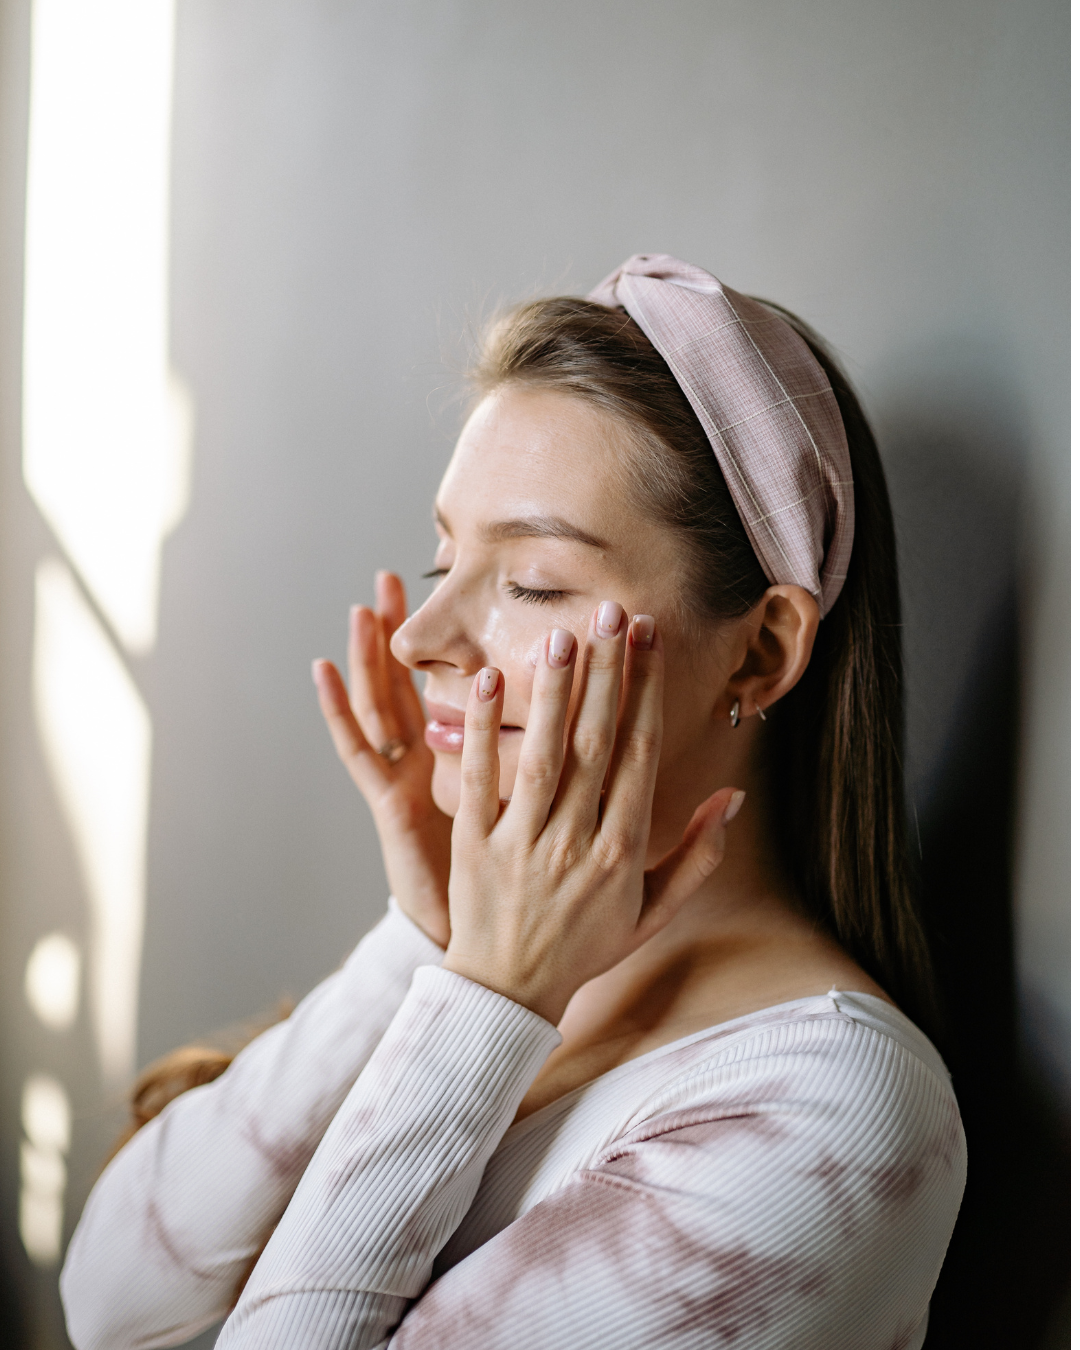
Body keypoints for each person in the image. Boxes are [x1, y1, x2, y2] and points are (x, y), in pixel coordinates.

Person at [60, 255, 965, 1350]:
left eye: (534, 583)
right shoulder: (509, 968)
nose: (420, 638)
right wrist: (425, 943)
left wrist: (487, 1002)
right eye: (442, 562)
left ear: (762, 651)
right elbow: (112, 1305)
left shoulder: (826, 1110)